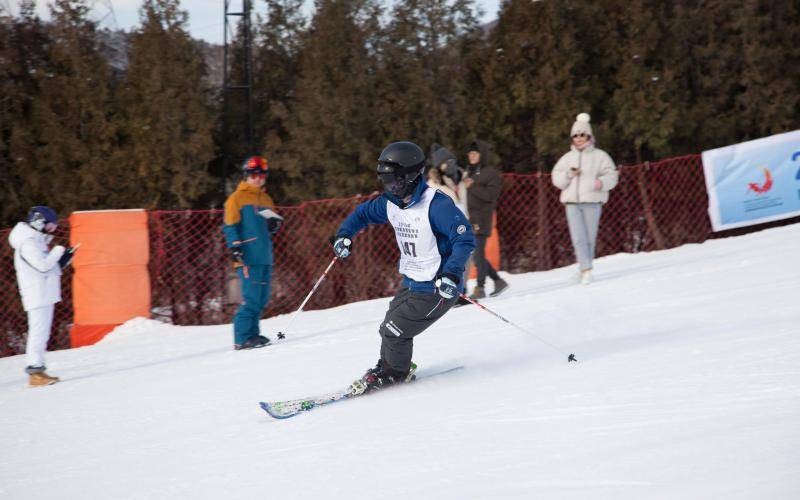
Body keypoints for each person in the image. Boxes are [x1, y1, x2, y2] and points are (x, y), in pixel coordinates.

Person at [332, 141, 475, 394]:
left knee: (395, 328)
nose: (390, 186)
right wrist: (345, 235)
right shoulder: (390, 202)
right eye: (385, 180)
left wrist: (452, 272)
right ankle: (389, 365)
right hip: (412, 280)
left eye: (395, 180)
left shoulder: (436, 205)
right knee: (388, 326)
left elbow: (463, 238)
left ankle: (395, 373)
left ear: (411, 176)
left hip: (438, 286)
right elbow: (362, 214)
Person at [8, 206, 77, 386]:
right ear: (39, 222)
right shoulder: (28, 242)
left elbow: (47, 267)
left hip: (44, 292)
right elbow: (43, 266)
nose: (51, 231)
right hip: (36, 294)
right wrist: (59, 250)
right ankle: (34, 372)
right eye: (50, 227)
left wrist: (63, 261)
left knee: (42, 333)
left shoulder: (36, 241)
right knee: (38, 333)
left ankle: (39, 369)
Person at [223, 155, 284, 350]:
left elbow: (270, 228)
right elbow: (230, 226)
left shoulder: (266, 199)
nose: (257, 178)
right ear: (247, 175)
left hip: (265, 255)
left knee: (262, 298)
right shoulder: (236, 198)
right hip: (248, 256)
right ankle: (242, 339)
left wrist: (274, 226)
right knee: (251, 298)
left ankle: (253, 335)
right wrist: (235, 247)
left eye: (261, 174)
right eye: (253, 174)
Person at [551, 113, 618, 284]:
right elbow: (556, 178)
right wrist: (568, 174)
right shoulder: (567, 158)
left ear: (589, 135)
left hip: (592, 201)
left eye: (582, 134)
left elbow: (612, 175)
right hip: (572, 202)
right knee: (578, 237)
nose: (579, 138)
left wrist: (599, 183)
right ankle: (586, 269)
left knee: (589, 237)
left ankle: (584, 269)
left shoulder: (600, 156)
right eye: (575, 135)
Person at [463, 141, 508, 299]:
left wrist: (473, 186)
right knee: (476, 255)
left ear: (482, 155)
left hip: (483, 217)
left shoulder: (490, 173)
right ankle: (498, 281)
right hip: (471, 218)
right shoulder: (469, 172)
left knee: (478, 253)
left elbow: (491, 196)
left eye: (475, 153)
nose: (472, 156)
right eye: (470, 154)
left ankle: (480, 287)